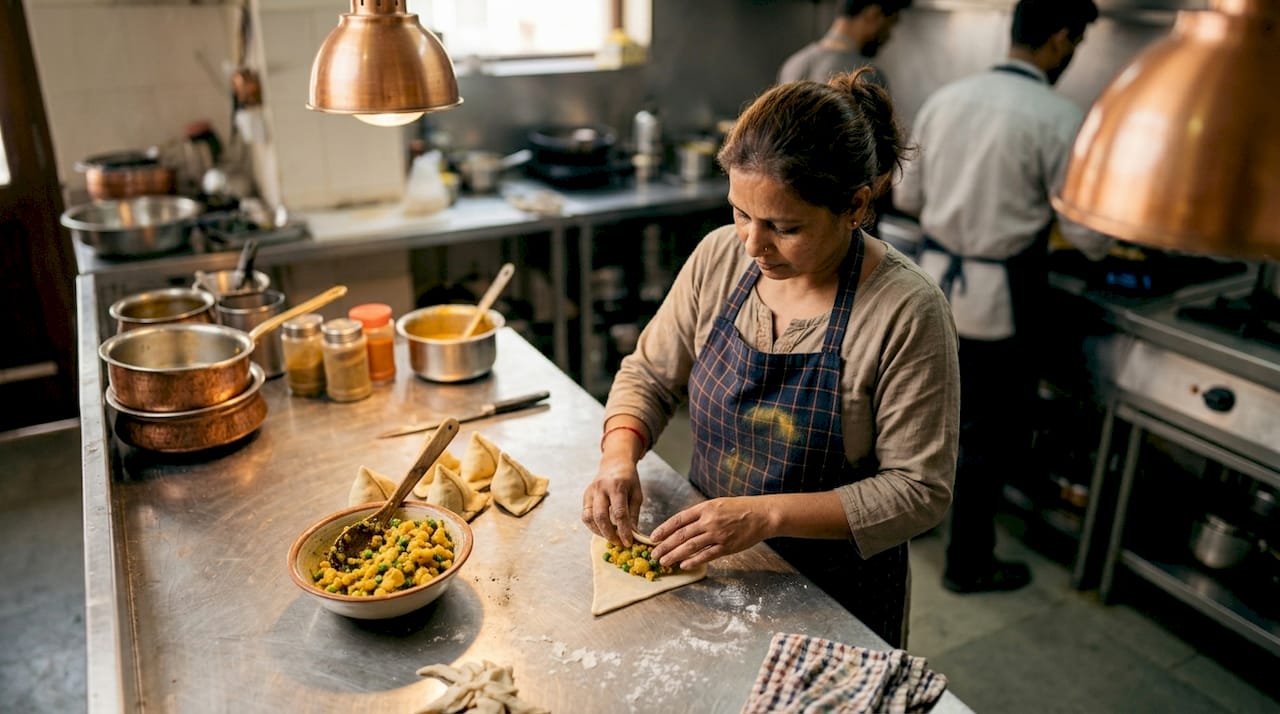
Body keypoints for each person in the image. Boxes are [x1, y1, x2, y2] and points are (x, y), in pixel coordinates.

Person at [581, 68, 960, 648]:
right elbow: (650, 374)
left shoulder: (907, 310)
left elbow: (918, 489)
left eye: (784, 227)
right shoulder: (718, 259)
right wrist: (618, 455)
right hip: (713, 562)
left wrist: (766, 516)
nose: (753, 245)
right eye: (739, 213)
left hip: (837, 596)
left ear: (856, 205)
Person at [894, 0, 1111, 594]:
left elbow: (908, 200)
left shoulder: (947, 98)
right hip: (999, 303)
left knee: (919, 418)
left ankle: (900, 524)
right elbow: (1091, 235)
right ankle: (969, 563)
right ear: (1063, 40)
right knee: (986, 435)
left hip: (930, 289)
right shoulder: (1060, 117)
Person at [777, 0, 913, 90]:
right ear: (873, 14)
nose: (889, 36)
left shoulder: (793, 64)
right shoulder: (867, 76)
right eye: (890, 24)